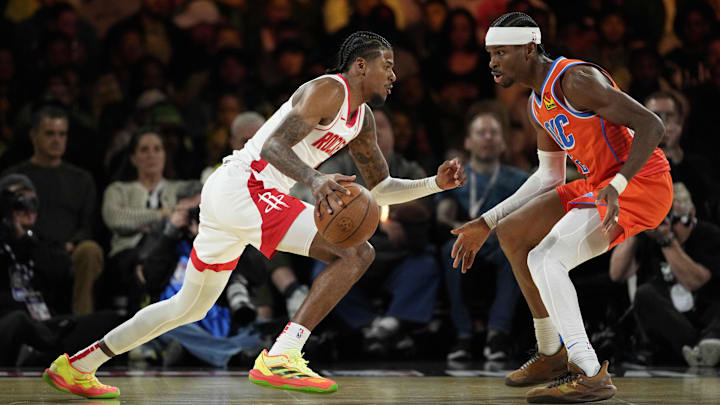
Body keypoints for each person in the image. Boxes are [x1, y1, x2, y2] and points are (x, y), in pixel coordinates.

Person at [42, 31, 465, 398]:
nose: (394, 75)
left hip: (237, 198)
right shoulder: (328, 90)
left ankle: (78, 366)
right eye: (386, 65)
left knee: (186, 308)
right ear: (359, 66)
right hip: (245, 187)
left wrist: (434, 184)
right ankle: (283, 354)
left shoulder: (363, 120)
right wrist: (315, 181)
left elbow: (380, 188)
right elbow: (272, 148)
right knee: (357, 253)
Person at [450, 13, 672, 403]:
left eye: (501, 52)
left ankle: (588, 371)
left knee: (547, 257)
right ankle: (551, 352)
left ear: (529, 48)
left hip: (639, 182)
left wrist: (618, 185)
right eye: (490, 54)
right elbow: (548, 177)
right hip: (598, 182)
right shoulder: (537, 105)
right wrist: (486, 221)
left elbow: (652, 126)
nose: (492, 62)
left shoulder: (576, 80)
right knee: (513, 233)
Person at [437, 107, 527, 362]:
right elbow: (443, 216)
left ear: (502, 142)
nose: (487, 138)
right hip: (466, 241)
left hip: (501, 243)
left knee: (516, 251)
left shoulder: (520, 180)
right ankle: (463, 335)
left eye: (493, 133)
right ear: (468, 142)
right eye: (481, 133)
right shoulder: (455, 179)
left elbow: (528, 218)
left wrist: (495, 231)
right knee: (449, 250)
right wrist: (466, 227)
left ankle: (497, 334)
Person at [610, 183, 720, 367]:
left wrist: (667, 242)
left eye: (672, 219)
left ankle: (705, 346)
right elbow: (617, 274)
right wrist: (637, 228)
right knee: (645, 294)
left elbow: (695, 281)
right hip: (676, 327)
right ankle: (698, 351)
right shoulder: (651, 236)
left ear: (690, 215)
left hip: (707, 316)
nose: (667, 225)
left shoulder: (709, 235)